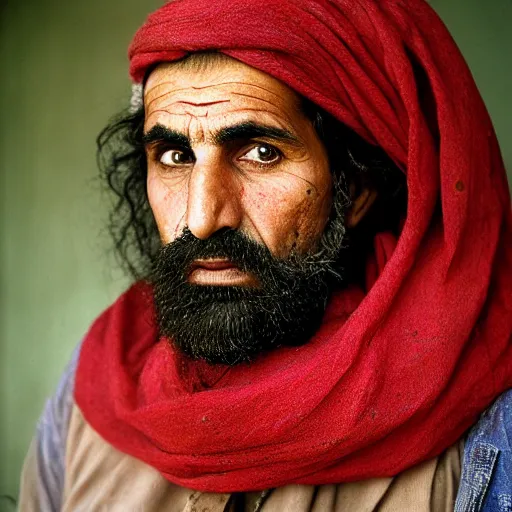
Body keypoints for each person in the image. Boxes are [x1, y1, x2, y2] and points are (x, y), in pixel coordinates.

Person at [18, 0, 512, 510]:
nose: (203, 218)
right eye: (174, 156)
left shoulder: (489, 420)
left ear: (357, 183)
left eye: (260, 153)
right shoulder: (98, 382)